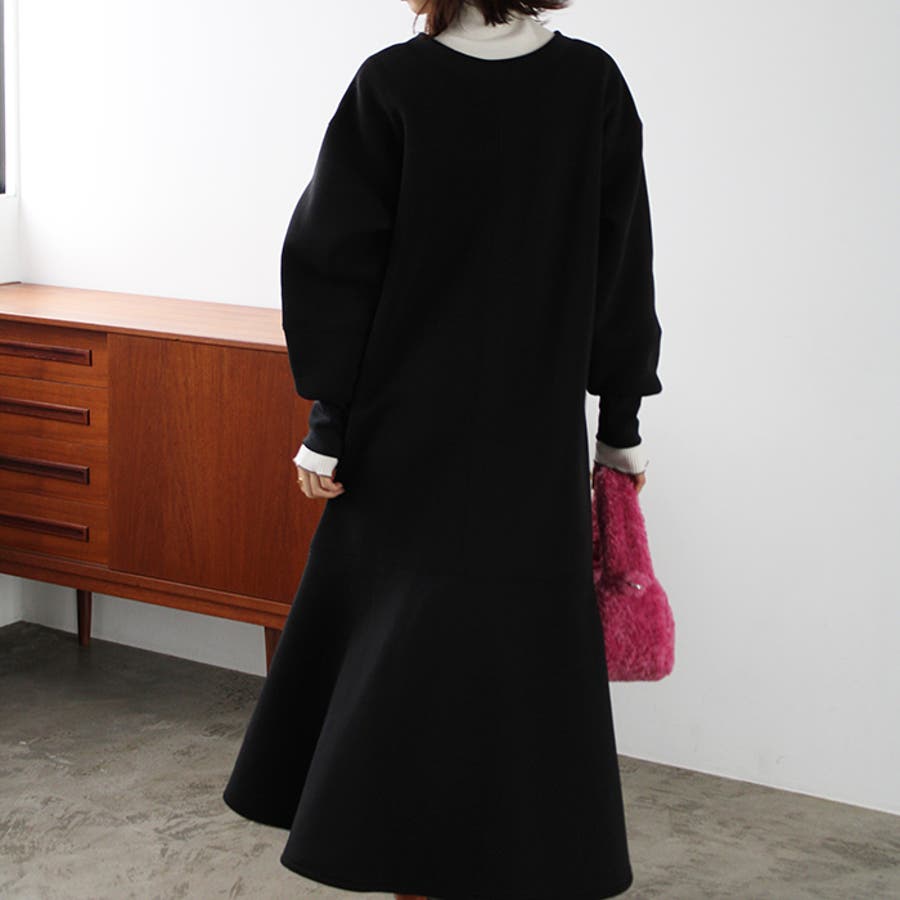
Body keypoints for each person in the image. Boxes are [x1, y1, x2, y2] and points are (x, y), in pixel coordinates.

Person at [222, 2, 663, 899]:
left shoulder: (394, 83)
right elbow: (622, 264)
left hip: (402, 436)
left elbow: (334, 264)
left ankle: (404, 870)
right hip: (531, 447)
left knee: (401, 660)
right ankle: (506, 864)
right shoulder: (590, 85)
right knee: (513, 665)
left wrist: (329, 426)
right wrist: (618, 426)